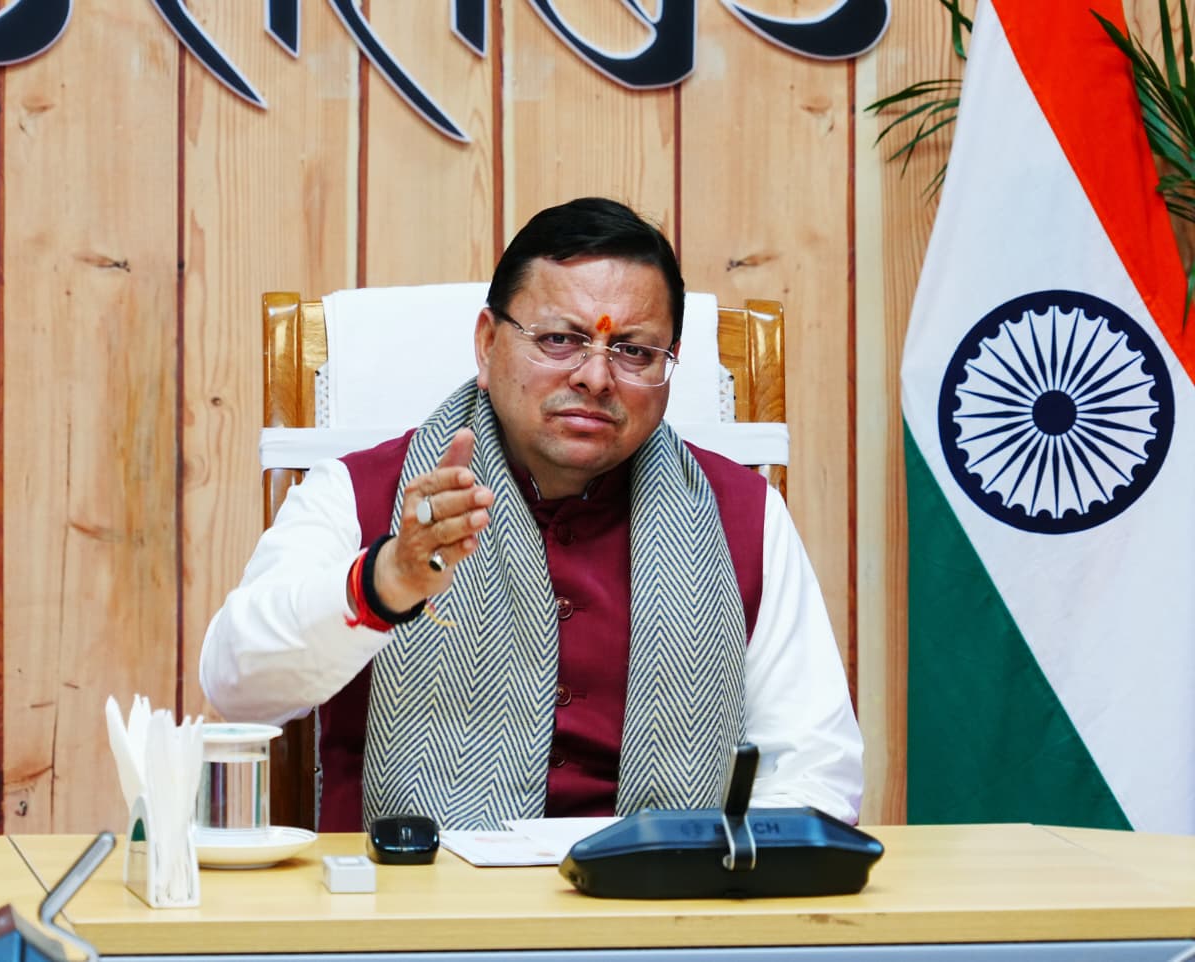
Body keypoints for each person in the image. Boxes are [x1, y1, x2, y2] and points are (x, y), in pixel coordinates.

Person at [201, 197, 863, 832]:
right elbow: (238, 685)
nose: (596, 378)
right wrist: (386, 580)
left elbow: (816, 773)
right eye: (560, 340)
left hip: (657, 899)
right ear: (487, 343)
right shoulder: (357, 493)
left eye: (634, 351)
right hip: (414, 897)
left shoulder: (743, 517)